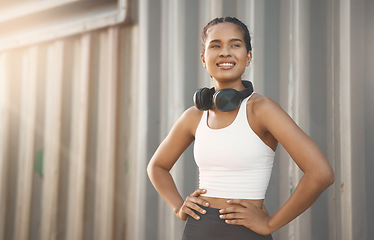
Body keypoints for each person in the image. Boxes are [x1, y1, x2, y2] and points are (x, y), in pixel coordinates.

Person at [147, 16, 334, 240]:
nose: (225, 52)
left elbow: (321, 173)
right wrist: (178, 207)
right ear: (204, 59)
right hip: (198, 230)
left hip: (245, 233)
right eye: (215, 45)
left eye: (235, 45)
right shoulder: (194, 116)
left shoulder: (261, 109)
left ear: (248, 57)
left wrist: (270, 224)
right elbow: (157, 166)